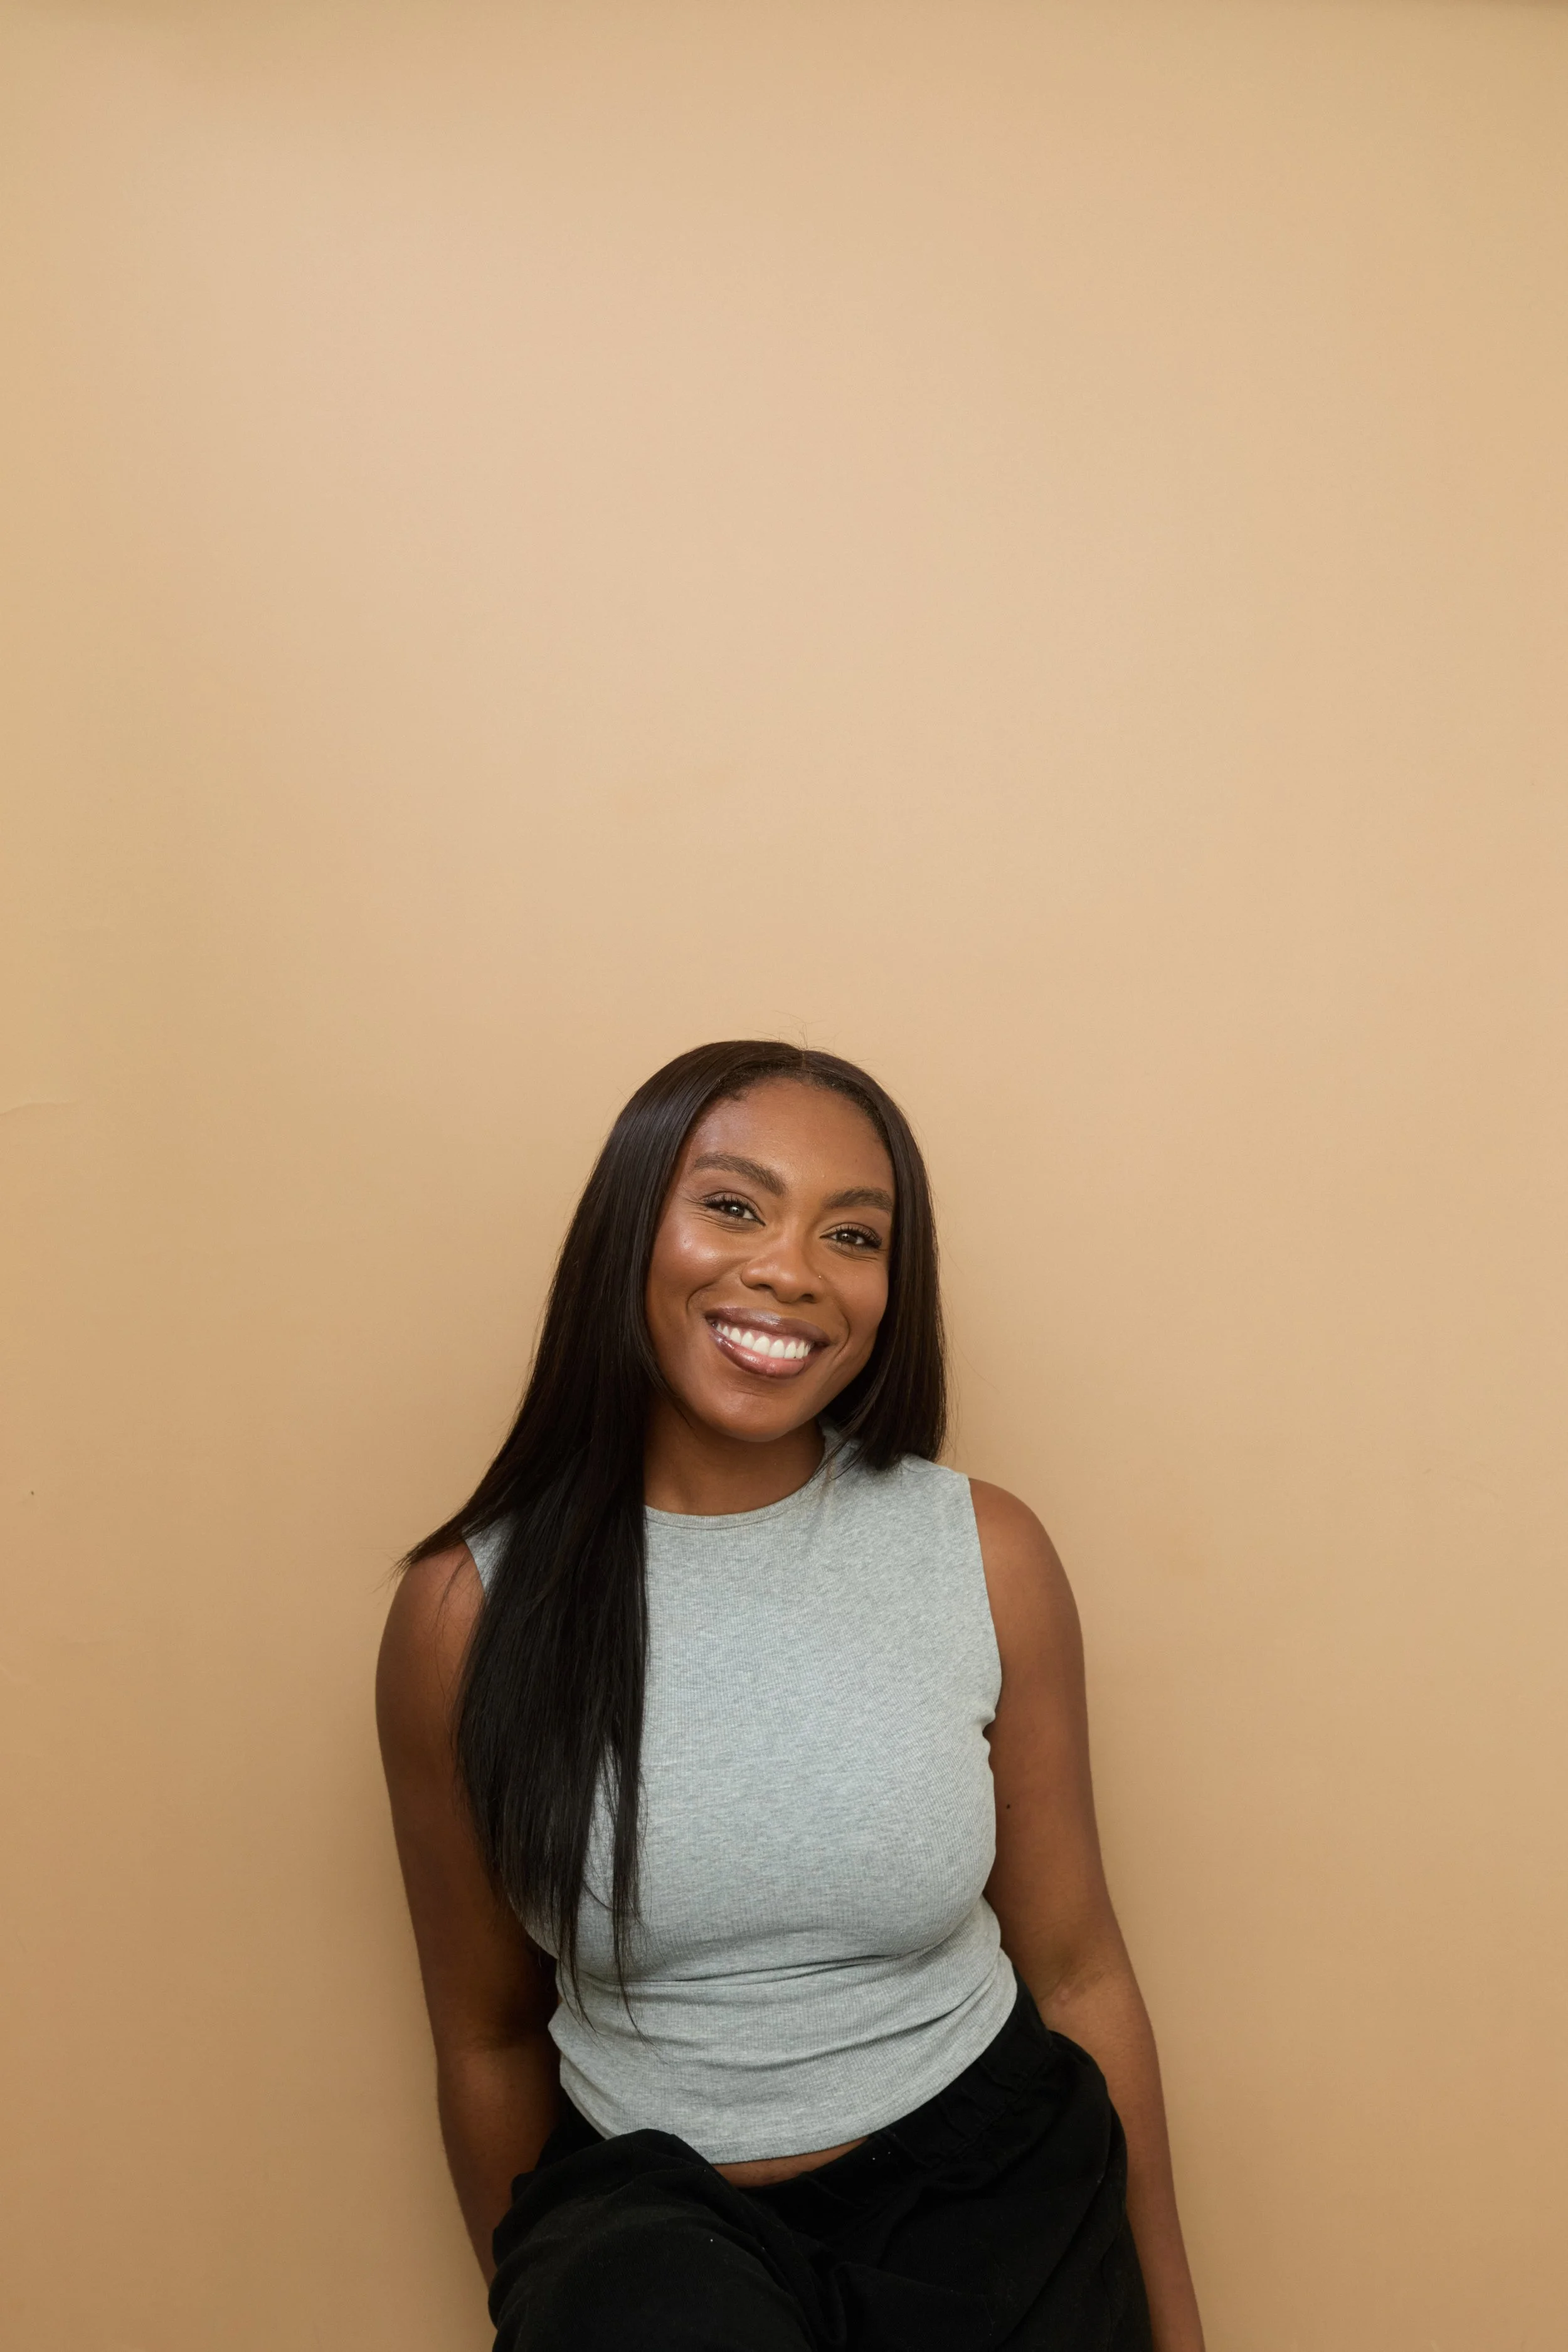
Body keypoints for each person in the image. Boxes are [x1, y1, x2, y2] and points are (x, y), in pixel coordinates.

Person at [377, 1039, 1205, 2351]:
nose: (789, 1271)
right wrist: (543, 2302)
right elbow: (485, 2038)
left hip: (994, 2187)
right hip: (655, 2231)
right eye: (731, 1205)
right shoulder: (463, 1610)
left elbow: (1078, 1966)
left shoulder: (982, 1552)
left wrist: (1173, 2330)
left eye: (853, 1235)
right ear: (627, 1232)